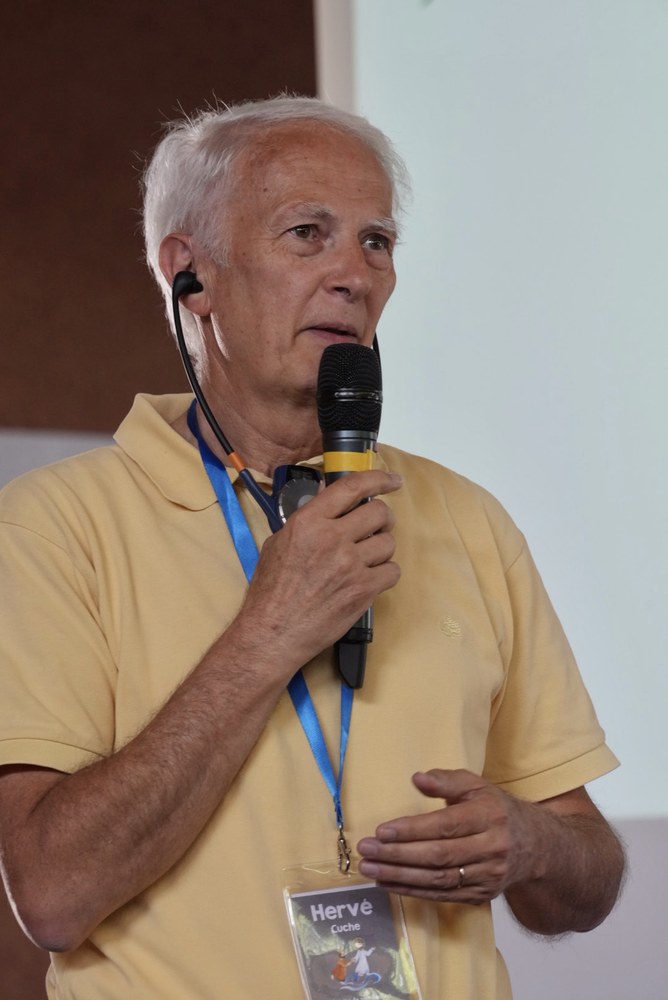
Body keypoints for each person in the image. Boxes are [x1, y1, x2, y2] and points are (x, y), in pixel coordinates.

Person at [0, 96, 624, 999]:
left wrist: (530, 844)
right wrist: (270, 631)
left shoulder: (467, 519)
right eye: (307, 234)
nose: (355, 276)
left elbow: (589, 874)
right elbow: (53, 895)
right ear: (190, 276)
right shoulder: (53, 525)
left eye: (378, 242)